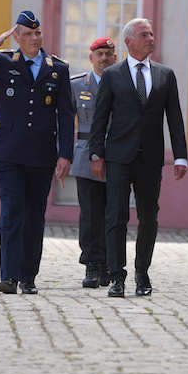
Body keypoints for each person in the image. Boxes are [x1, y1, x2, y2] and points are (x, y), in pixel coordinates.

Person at [0, 10, 74, 294]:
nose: (34, 39)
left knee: (34, 216)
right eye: (28, 34)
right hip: (8, 154)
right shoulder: (3, 62)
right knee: (12, 211)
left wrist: (66, 155)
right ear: (17, 37)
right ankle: (9, 276)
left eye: (38, 34)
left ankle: (28, 277)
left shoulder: (57, 68)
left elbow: (65, 114)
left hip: (41, 155)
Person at [88, 18, 188, 298]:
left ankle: (142, 273)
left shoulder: (165, 75)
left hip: (151, 159)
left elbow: (175, 118)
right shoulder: (112, 75)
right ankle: (117, 276)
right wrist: (96, 153)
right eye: (145, 34)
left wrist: (180, 156)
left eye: (153, 34)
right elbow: (100, 118)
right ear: (129, 41)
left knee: (149, 218)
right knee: (116, 216)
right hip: (119, 156)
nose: (151, 38)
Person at [69, 36, 117, 288]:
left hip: (115, 156)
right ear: (91, 58)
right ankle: (91, 263)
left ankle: (109, 264)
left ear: (115, 58)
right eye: (99, 54)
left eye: (109, 54)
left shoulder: (124, 84)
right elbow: (65, 123)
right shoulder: (77, 85)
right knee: (89, 214)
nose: (104, 58)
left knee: (112, 214)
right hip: (86, 155)